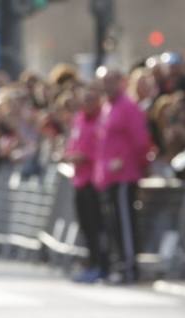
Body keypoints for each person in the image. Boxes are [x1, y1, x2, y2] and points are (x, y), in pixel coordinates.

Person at [94, 66, 152, 284]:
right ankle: (118, 263)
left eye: (111, 80)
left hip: (124, 175)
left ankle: (129, 265)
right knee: (113, 223)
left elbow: (140, 141)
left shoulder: (128, 107)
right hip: (108, 177)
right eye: (104, 81)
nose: (106, 86)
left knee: (125, 222)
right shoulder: (106, 107)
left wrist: (139, 165)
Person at [64, 81, 108, 283]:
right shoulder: (80, 120)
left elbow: (101, 146)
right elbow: (73, 144)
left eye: (91, 99)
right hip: (80, 180)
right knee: (86, 227)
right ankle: (91, 263)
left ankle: (102, 265)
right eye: (84, 100)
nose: (87, 104)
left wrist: (84, 156)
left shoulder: (102, 119)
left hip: (95, 180)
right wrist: (70, 155)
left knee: (98, 226)